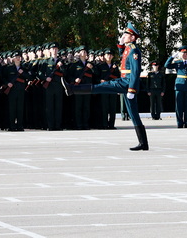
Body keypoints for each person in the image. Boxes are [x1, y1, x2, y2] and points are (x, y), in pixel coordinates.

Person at [62, 22, 148, 151]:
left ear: (133, 38)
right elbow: (122, 54)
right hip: (125, 81)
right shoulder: (128, 49)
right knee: (133, 113)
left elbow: (136, 71)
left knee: (103, 86)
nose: (123, 36)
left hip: (127, 83)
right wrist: (120, 44)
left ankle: (73, 89)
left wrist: (132, 89)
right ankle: (143, 143)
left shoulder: (134, 51)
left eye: (126, 34)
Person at [164, 46, 187, 128]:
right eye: (183, 53)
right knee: (179, 106)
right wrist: (172, 57)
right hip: (179, 86)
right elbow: (167, 65)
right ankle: (180, 123)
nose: (185, 54)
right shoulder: (178, 62)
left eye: (186, 53)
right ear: (180, 54)